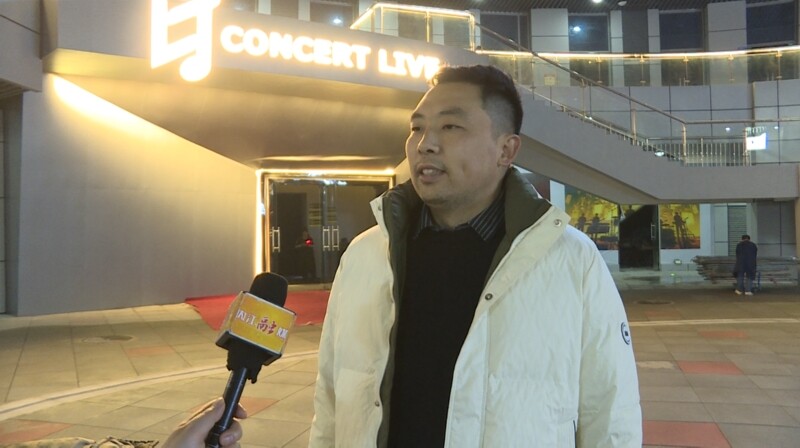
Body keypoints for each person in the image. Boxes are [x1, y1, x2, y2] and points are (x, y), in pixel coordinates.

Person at [309, 65, 641, 447]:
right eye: (417, 127)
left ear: (506, 150)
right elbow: (330, 403)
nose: (425, 144)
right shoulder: (365, 255)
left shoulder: (570, 260)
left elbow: (610, 414)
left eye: (450, 126)